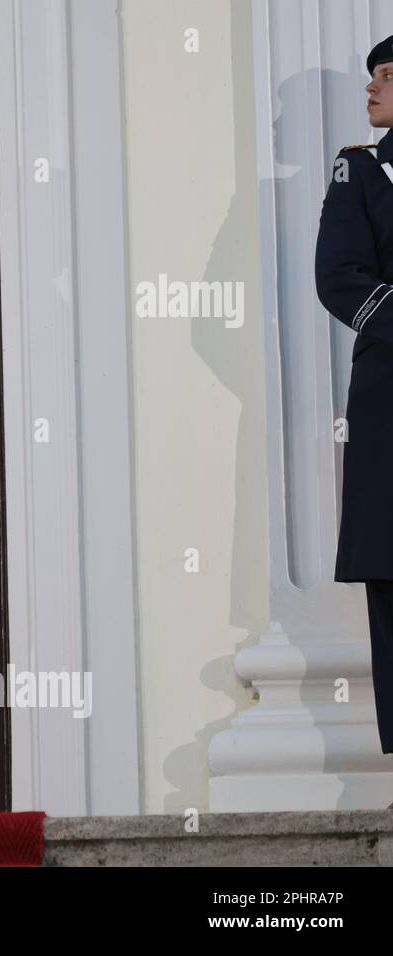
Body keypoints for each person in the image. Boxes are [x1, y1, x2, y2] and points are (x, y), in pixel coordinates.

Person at [314, 34, 393, 756]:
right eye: (372, 75)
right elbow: (339, 276)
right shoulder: (359, 171)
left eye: (389, 76)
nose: (371, 88)